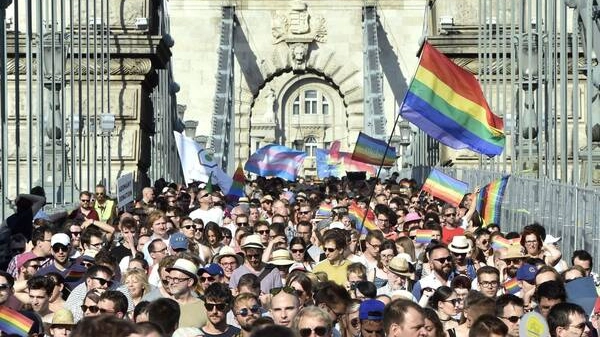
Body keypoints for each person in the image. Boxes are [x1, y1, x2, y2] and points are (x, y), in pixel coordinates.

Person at [165, 258, 208, 328]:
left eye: (176, 279)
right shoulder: (162, 305)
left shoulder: (204, 307)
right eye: (169, 278)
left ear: (190, 282)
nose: (171, 283)